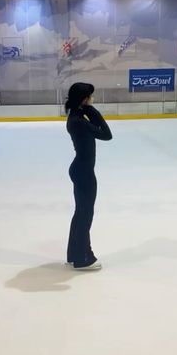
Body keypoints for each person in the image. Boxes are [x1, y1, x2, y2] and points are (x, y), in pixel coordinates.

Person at [65, 82, 112, 270]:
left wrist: (89, 112)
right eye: (90, 97)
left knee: (81, 212)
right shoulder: (79, 121)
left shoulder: (75, 117)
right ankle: (83, 257)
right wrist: (94, 113)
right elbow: (107, 135)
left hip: (80, 169)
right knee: (85, 214)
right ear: (84, 99)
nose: (92, 99)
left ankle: (74, 254)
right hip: (83, 172)